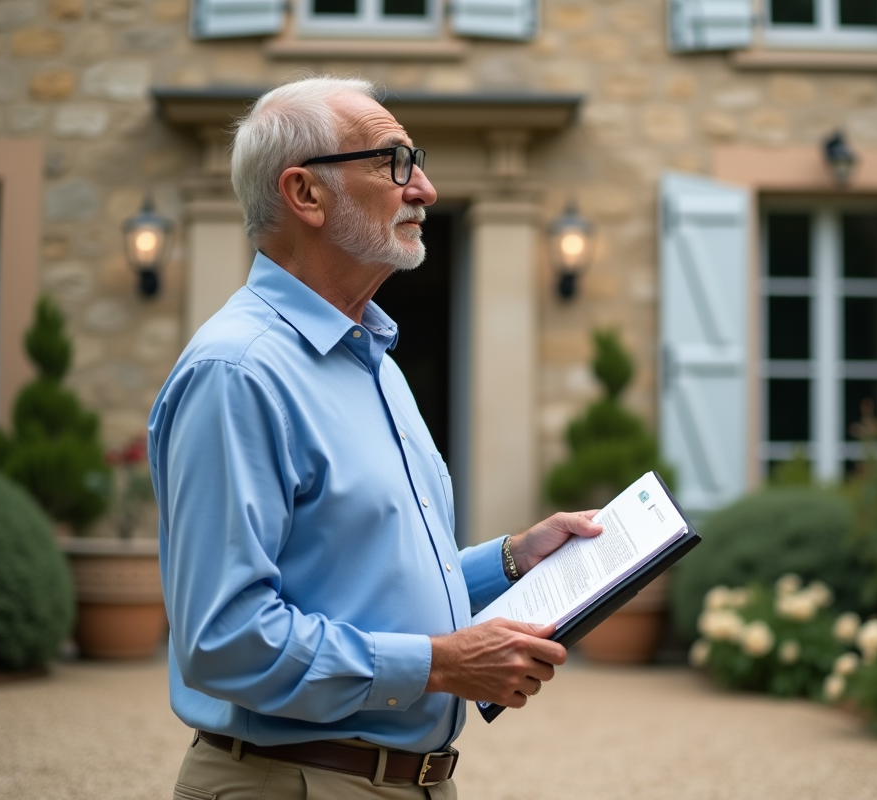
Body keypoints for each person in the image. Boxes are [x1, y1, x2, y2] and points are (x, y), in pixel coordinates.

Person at [148, 74, 603, 800]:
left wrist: (512, 560)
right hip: (292, 785)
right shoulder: (237, 373)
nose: (423, 186)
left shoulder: (373, 360)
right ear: (305, 194)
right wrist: (439, 666)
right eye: (394, 162)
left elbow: (362, 577)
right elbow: (222, 641)